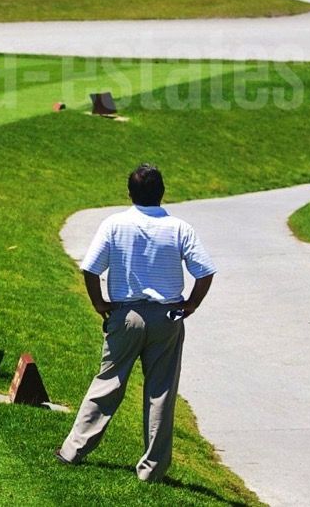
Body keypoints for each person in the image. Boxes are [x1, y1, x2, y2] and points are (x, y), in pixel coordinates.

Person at [56, 164, 217, 483]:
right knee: (161, 391)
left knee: (108, 383)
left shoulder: (115, 224)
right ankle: (152, 470)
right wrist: (192, 304)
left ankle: (73, 450)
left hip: (125, 316)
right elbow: (204, 271)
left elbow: (90, 269)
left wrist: (100, 303)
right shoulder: (179, 228)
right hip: (168, 316)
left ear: (130, 193)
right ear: (162, 192)